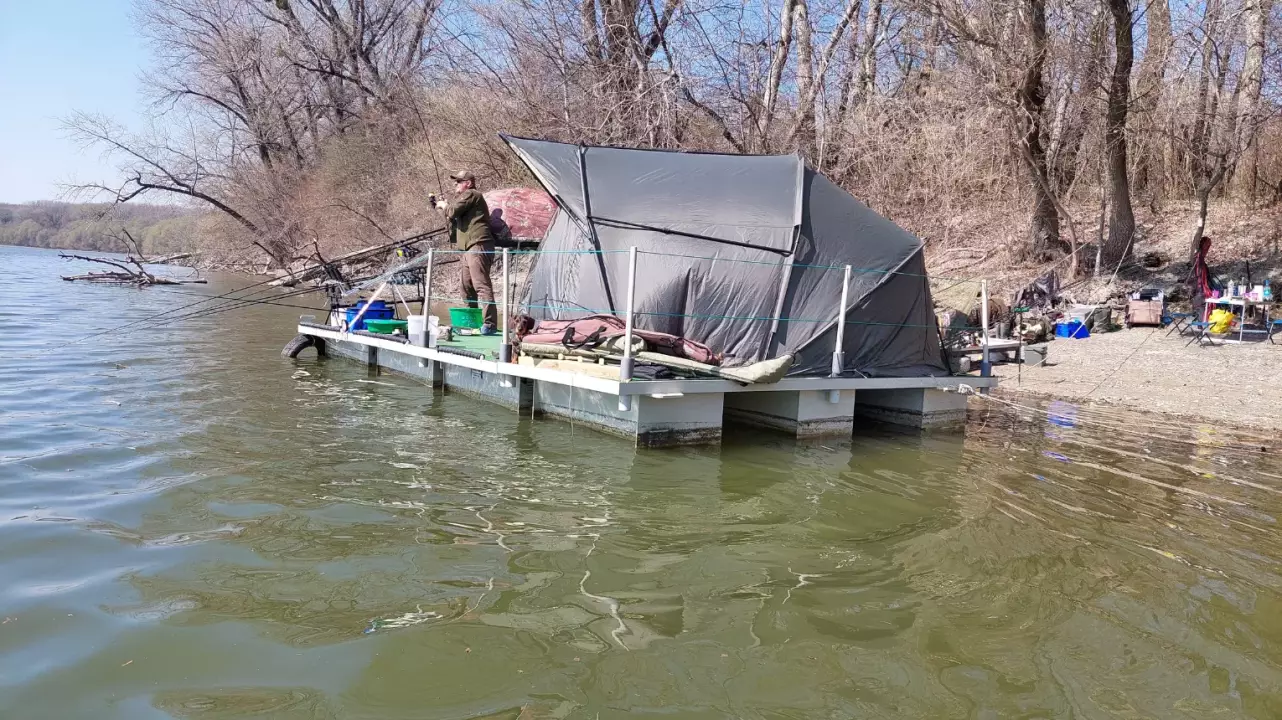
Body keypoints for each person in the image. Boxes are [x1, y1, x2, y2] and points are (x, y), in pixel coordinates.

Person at [431, 171, 497, 335]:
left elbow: (452, 211)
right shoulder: (465, 199)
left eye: (459, 181)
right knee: (466, 287)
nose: (456, 184)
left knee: (481, 285)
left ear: (468, 182)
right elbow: (452, 217)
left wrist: (445, 206)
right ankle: (473, 322)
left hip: (478, 245)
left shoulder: (472, 194)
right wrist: (442, 207)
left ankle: (489, 324)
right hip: (468, 248)